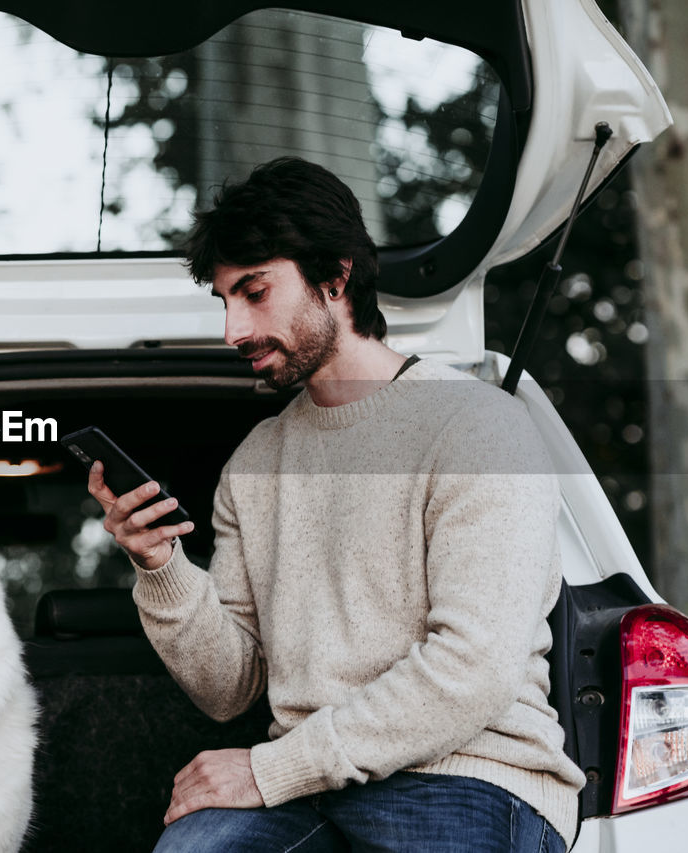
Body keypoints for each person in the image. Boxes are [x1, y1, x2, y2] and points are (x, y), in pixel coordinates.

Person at [87, 157, 584, 852]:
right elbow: (231, 687)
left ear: (336, 277)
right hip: (308, 789)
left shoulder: (476, 425)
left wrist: (269, 768)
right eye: (225, 300)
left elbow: (474, 668)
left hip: (469, 775)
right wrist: (160, 564)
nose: (234, 330)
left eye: (254, 292)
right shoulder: (255, 464)